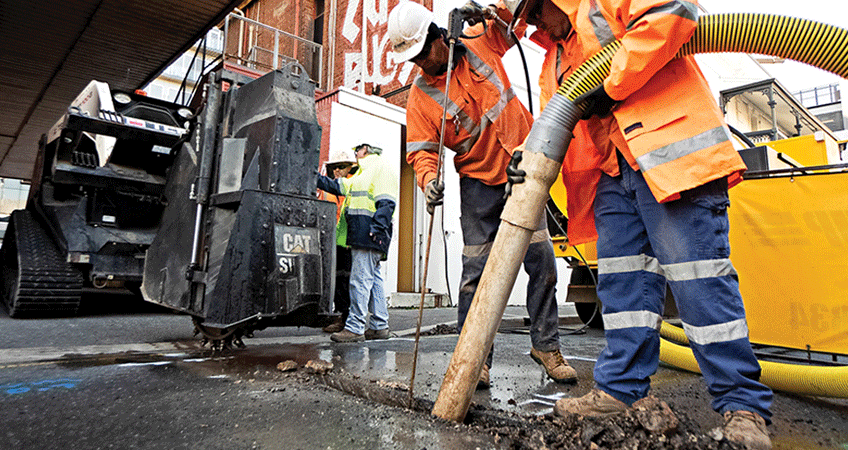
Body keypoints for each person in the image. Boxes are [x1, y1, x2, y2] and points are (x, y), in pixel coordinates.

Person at [507, 0, 773, 448]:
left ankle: (742, 406)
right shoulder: (554, 59)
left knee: (700, 285)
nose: (533, 24)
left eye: (534, 12)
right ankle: (619, 392)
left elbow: (675, 11)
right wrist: (527, 153)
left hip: (671, 157)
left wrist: (611, 85)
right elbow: (554, 118)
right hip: (613, 173)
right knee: (623, 291)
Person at [386, 0, 577, 389]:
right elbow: (422, 152)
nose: (422, 63)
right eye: (414, 58)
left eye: (424, 51)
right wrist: (428, 180)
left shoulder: (477, 42)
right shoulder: (421, 98)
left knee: (541, 259)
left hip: (523, 168)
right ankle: (476, 358)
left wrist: (489, 12)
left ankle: (547, 346)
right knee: (476, 273)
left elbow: (517, 23)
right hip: (477, 183)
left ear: (440, 36)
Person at [317, 143, 398, 343]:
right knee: (374, 280)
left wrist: (375, 229)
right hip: (368, 234)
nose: (355, 154)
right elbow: (336, 186)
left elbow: (387, 203)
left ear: (367, 150)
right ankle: (379, 325)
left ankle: (354, 328)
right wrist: (313, 176)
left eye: (358, 150)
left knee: (360, 281)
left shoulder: (378, 168)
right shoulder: (365, 173)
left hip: (367, 234)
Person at [318, 148, 359, 333]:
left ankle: (347, 318)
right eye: (334, 167)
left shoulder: (352, 185)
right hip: (334, 240)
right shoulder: (329, 189)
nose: (336, 171)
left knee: (347, 279)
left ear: (351, 168)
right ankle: (341, 314)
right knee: (337, 278)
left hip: (350, 240)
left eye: (341, 167)